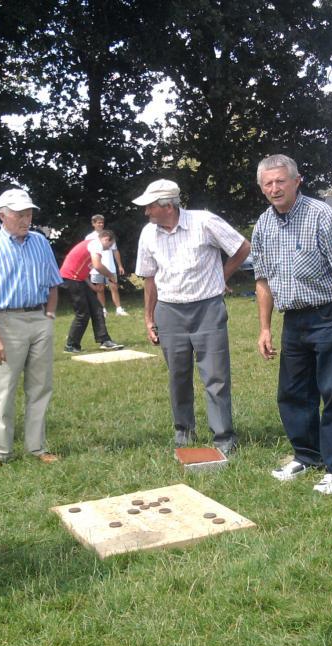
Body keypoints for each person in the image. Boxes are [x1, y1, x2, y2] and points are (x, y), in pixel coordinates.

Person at [252, 154, 332, 495]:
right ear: (262, 188)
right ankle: (307, 456)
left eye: (280, 181)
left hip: (327, 316)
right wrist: (264, 328)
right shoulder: (263, 224)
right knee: (292, 394)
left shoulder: (321, 215)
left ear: (296, 181)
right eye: (268, 183)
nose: (274, 188)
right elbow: (262, 281)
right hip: (293, 320)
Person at [134, 178, 249, 454]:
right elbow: (149, 278)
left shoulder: (204, 222)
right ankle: (183, 430)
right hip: (169, 310)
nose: (146, 212)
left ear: (167, 206)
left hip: (207, 309)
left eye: (150, 206)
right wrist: (149, 317)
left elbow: (242, 247)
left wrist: (221, 276)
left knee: (216, 374)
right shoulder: (148, 234)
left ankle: (223, 437)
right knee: (178, 374)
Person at [0, 188, 63, 471]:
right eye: (19, 214)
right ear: (2, 215)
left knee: (40, 386)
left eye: (29, 213)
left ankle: (38, 447)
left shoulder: (41, 242)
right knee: (3, 389)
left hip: (39, 318)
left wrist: (50, 316)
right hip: (5, 322)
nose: (26, 219)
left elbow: (53, 281)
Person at [59, 231, 124, 353]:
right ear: (105, 239)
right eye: (109, 245)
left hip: (78, 279)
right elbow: (97, 265)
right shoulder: (96, 244)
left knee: (97, 308)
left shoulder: (92, 246)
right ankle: (71, 345)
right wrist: (111, 276)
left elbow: (83, 271)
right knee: (83, 313)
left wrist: (92, 287)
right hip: (71, 279)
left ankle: (104, 340)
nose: (109, 248)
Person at [85, 214, 128, 316]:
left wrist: (120, 265)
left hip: (110, 266)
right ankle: (103, 310)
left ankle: (119, 309)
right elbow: (86, 253)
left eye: (102, 222)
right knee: (100, 289)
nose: (101, 224)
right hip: (96, 267)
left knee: (114, 287)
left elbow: (115, 251)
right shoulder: (89, 237)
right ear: (93, 224)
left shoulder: (109, 235)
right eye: (98, 222)